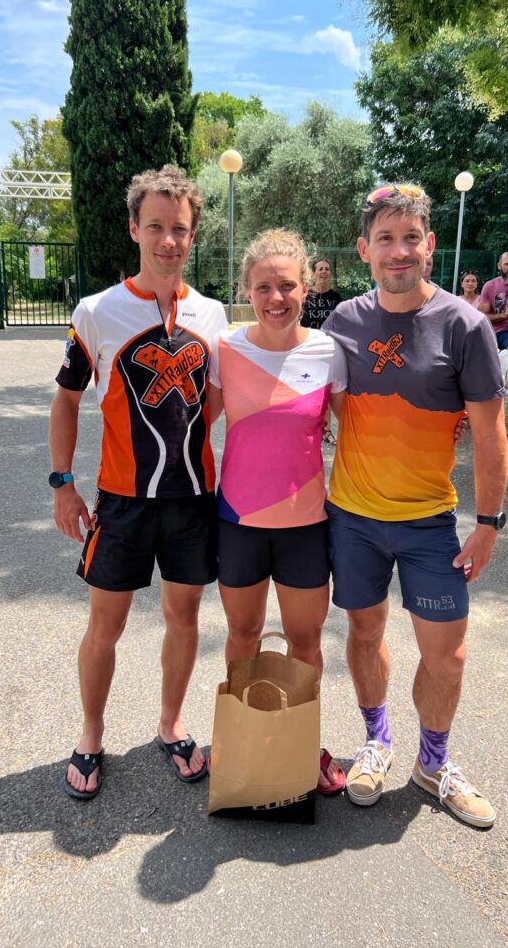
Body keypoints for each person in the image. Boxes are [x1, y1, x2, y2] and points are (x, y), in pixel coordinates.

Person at [322, 181, 508, 827]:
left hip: (430, 522)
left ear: (429, 245)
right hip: (352, 518)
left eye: (410, 238)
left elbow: (490, 432)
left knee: (446, 654)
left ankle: (433, 764)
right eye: (385, 239)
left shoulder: (466, 326)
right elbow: (313, 409)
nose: (398, 251)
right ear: (364, 250)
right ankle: (376, 743)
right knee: (364, 633)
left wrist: (488, 524)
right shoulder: (341, 324)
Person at [50, 165, 228, 799]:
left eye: (179, 229)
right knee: (106, 625)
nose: (168, 241)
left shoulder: (213, 314)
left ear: (192, 234)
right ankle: (91, 732)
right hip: (122, 501)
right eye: (155, 227)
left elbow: (213, 403)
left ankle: (171, 722)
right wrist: (63, 482)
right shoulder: (97, 312)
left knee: (184, 617)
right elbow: (67, 399)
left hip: (192, 500)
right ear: (134, 230)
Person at [208, 230, 348, 795]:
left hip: (305, 527)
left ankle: (301, 745)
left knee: (305, 644)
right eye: (263, 287)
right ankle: (243, 743)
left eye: (286, 285)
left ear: (305, 288)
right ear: (247, 289)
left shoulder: (328, 350)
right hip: (238, 523)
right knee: (242, 635)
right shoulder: (224, 349)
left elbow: (360, 431)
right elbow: (190, 428)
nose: (276, 298)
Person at [301, 256, 342, 444]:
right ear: (313, 273)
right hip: (309, 349)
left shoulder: (336, 298)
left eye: (327, 269)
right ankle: (309, 429)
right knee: (310, 390)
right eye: (320, 269)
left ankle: (327, 431)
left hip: (328, 350)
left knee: (328, 391)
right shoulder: (306, 297)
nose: (324, 272)